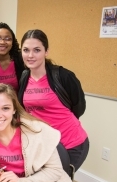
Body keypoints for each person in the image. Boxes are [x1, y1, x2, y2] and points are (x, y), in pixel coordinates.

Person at [0, 84, 74, 182]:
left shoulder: (38, 131)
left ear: (14, 109)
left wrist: (21, 181)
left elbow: (54, 171)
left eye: (5, 108)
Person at [17, 29, 89, 172]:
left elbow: (79, 107)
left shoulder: (63, 76)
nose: (30, 55)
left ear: (46, 51)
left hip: (70, 142)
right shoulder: (25, 76)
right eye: (26, 50)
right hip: (45, 144)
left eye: (37, 50)